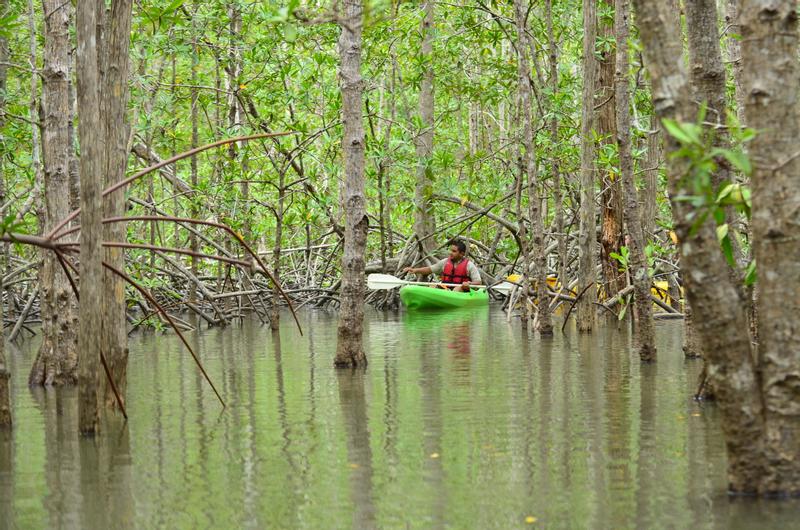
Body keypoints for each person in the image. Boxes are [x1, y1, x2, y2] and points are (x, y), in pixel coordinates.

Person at [403, 239, 482, 292]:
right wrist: (415, 270)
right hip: (446, 288)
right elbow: (430, 269)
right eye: (450, 250)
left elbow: (478, 282)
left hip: (462, 290)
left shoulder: (469, 265)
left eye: (454, 251)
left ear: (462, 254)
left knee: (457, 288)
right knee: (433, 286)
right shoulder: (445, 262)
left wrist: (469, 284)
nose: (450, 253)